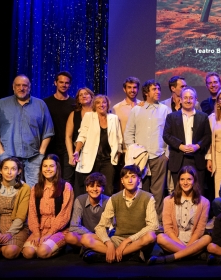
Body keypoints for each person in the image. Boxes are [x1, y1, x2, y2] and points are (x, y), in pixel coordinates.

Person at [0, 75, 55, 187]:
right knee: (11, 191)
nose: (21, 88)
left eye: (25, 85)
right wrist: (2, 153)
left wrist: (41, 154)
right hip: (9, 157)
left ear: (29, 87)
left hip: (33, 158)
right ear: (13, 87)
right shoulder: (2, 104)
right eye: (18, 85)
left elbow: (48, 131)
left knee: (34, 192)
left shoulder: (40, 105)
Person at [81, 165, 158, 263]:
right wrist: (108, 243)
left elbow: (153, 226)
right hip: (118, 239)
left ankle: (110, 255)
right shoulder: (114, 198)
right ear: (122, 181)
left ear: (139, 180)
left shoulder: (148, 198)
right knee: (85, 239)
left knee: (151, 236)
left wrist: (128, 240)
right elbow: (100, 226)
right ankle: (126, 255)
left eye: (133, 177)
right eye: (126, 177)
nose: (130, 180)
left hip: (138, 240)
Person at [125, 79, 171, 219]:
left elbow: (169, 133)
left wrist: (166, 154)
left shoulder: (164, 109)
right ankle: (141, 218)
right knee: (140, 189)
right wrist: (133, 152)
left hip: (159, 155)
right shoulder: (136, 110)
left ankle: (156, 219)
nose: (158, 92)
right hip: (140, 157)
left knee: (157, 191)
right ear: (146, 92)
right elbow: (129, 133)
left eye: (158, 89)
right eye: (154, 89)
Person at [148, 166, 211, 264]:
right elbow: (168, 228)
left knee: (207, 238)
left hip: (194, 241)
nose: (185, 183)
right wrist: (185, 247)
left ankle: (171, 257)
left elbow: (200, 229)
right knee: (160, 238)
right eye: (182, 179)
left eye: (189, 179)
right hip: (174, 241)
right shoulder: (168, 200)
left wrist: (190, 245)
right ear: (178, 181)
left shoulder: (204, 202)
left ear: (194, 180)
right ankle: (192, 255)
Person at [22, 154, 74, 259]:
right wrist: (36, 233)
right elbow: (32, 213)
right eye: (45, 166)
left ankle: (58, 246)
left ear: (57, 167)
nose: (48, 169)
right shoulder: (36, 188)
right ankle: (44, 243)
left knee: (42, 252)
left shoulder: (65, 187)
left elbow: (64, 214)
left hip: (59, 230)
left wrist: (49, 233)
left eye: (51, 166)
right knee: (28, 253)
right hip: (40, 229)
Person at [0, 157, 30, 260]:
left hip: (17, 227)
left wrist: (10, 233)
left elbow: (21, 215)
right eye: (6, 168)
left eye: (13, 169)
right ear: (0, 170)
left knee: (9, 252)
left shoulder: (25, 188)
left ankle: (6, 247)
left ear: (19, 171)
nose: (9, 172)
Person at [163, 86, 211, 195]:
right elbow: (166, 135)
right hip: (178, 159)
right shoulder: (171, 117)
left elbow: (207, 136)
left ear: (196, 99)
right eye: (185, 98)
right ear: (180, 99)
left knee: (197, 193)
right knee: (179, 193)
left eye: (191, 98)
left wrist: (197, 146)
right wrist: (180, 146)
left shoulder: (203, 117)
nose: (188, 100)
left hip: (197, 159)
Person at [73, 95, 123, 197]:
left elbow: (119, 140)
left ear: (107, 104)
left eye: (104, 102)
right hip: (92, 159)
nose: (101, 105)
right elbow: (82, 135)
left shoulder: (113, 118)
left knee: (107, 189)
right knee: (91, 187)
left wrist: (118, 156)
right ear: (94, 105)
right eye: (98, 102)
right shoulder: (89, 116)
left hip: (108, 160)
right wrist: (77, 151)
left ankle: (106, 212)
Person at [44, 71, 76, 185]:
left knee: (67, 179)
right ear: (55, 83)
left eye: (66, 83)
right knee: (51, 177)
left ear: (70, 85)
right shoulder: (45, 103)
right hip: (50, 146)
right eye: (61, 82)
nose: (64, 85)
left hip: (68, 147)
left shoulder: (74, 104)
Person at [65, 172, 111, 249]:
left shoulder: (108, 201)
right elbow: (74, 226)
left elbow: (111, 228)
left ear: (103, 188)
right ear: (86, 188)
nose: (95, 189)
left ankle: (91, 248)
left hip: (103, 237)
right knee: (69, 237)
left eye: (98, 186)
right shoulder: (80, 200)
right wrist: (91, 235)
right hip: (85, 235)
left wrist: (100, 236)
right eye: (91, 186)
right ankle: (94, 247)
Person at [65, 88, 94, 179]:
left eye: (86, 93)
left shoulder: (98, 113)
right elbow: (68, 136)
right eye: (80, 95)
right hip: (78, 152)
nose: (83, 96)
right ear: (78, 99)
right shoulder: (74, 114)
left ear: (92, 97)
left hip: (94, 152)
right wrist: (71, 155)